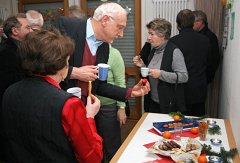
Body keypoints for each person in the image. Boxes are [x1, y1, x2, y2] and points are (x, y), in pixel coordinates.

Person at [1, 28, 103, 162]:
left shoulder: (10, 91)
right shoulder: (68, 104)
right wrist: (89, 116)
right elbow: (92, 158)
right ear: (59, 65)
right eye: (67, 61)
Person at [53, 2, 150, 105]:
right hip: (58, 107)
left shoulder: (104, 47)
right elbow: (41, 64)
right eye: (120, 27)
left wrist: (131, 92)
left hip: (85, 109)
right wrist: (74, 72)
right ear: (105, 20)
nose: (121, 34)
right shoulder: (65, 26)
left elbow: (99, 85)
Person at [133, 18, 188, 113]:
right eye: (149, 34)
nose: (148, 38)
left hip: (169, 105)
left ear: (162, 35)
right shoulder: (153, 50)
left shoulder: (174, 52)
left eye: (152, 34)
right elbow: (151, 72)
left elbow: (184, 77)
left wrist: (160, 74)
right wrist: (142, 65)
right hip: (153, 103)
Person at [0, 14, 32, 161]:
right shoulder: (6, 52)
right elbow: (8, 84)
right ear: (15, 31)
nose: (31, 30)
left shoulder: (21, 49)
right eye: (27, 27)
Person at [170, 9, 211, 116]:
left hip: (181, 90)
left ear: (178, 25)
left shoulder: (173, 42)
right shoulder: (205, 40)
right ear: (193, 23)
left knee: (180, 124)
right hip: (199, 87)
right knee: (198, 121)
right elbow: (208, 63)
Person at [96, 45, 127, 162]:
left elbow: (120, 82)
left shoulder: (114, 54)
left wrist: (121, 107)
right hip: (88, 107)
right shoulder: (87, 52)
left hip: (108, 107)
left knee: (110, 145)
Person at [193, 10, 220, 83]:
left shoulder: (210, 37)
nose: (191, 24)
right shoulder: (196, 35)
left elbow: (214, 60)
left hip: (202, 78)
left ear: (200, 22)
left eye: (193, 22)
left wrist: (206, 78)